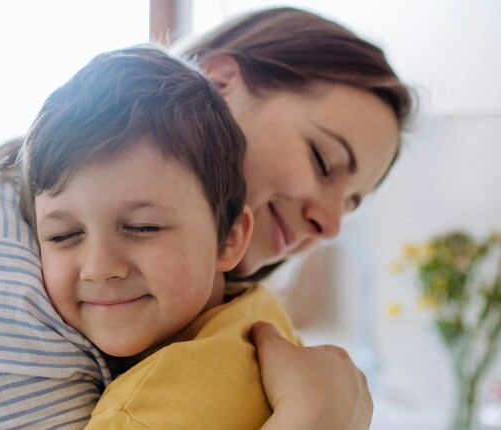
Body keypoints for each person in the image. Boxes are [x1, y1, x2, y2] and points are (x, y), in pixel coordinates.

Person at [0, 6, 413, 430]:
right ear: (219, 83)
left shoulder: (190, 314)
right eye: (324, 161)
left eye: (354, 201)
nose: (331, 224)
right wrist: (314, 420)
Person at [23, 45, 298, 428]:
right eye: (65, 235)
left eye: (142, 227)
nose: (99, 268)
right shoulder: (257, 310)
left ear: (230, 238)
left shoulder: (140, 416)